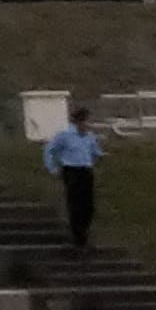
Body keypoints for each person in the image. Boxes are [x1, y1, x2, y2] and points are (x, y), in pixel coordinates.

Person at [42, 97, 102, 248]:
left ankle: (85, 232)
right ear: (79, 122)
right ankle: (78, 236)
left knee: (88, 206)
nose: (88, 124)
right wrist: (52, 167)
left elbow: (94, 151)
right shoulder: (65, 135)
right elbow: (50, 149)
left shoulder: (90, 137)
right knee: (75, 204)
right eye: (86, 121)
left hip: (86, 170)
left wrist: (100, 156)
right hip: (72, 171)